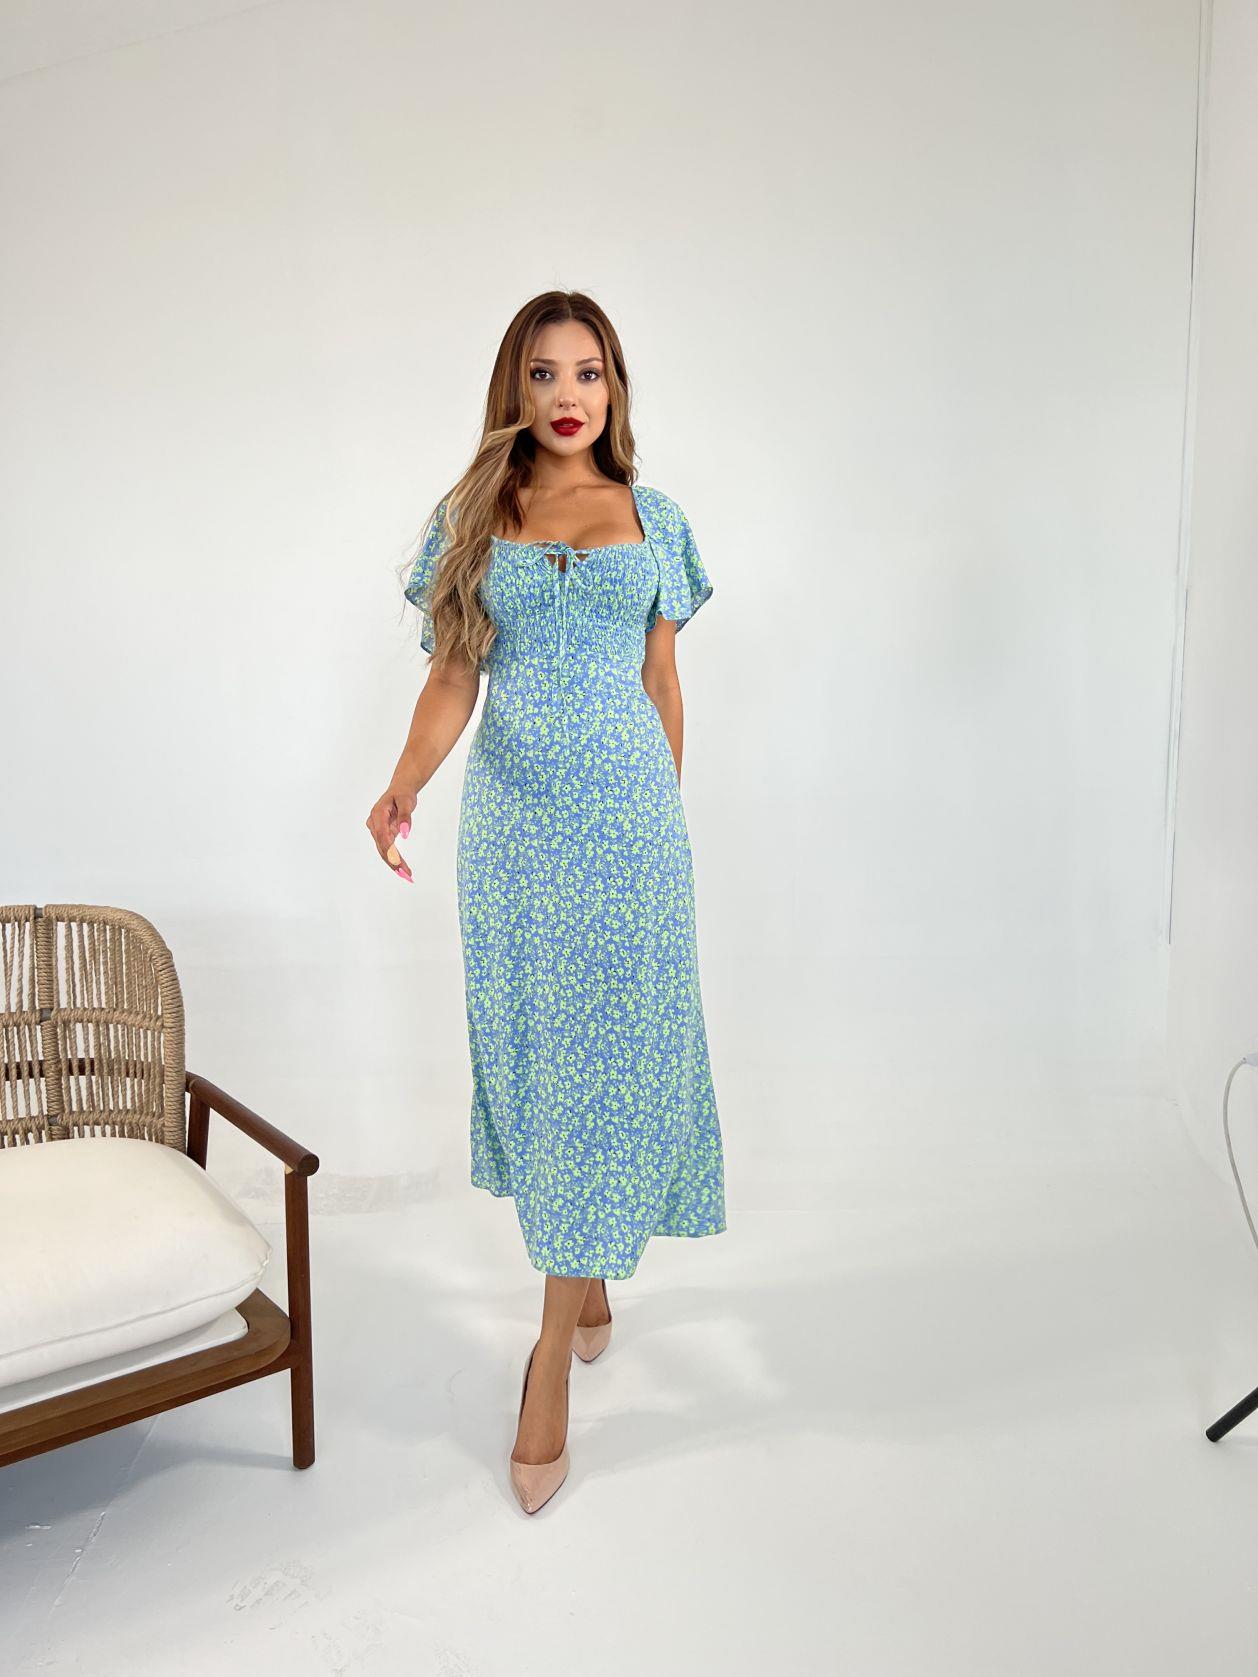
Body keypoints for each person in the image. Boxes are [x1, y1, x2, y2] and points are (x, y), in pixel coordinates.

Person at [366, 290, 726, 1514]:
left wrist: (662, 825)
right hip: (516, 839)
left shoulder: (656, 518)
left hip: (633, 837)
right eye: (542, 373)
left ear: (614, 388)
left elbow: (662, 683)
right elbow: (452, 678)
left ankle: (550, 1352)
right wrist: (403, 783)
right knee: (549, 1064)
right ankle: (585, 1280)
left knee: (620, 1059)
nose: (568, 395)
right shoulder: (474, 515)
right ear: (512, 391)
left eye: (588, 372)